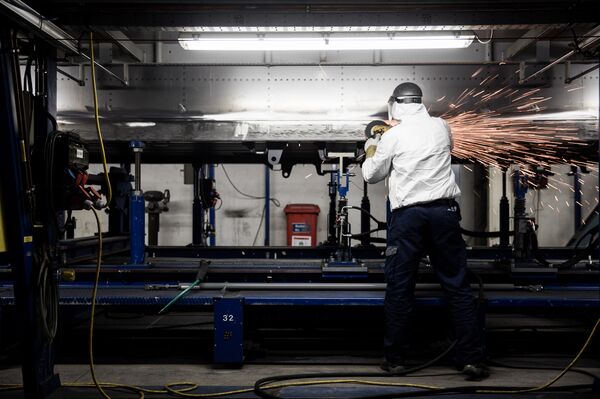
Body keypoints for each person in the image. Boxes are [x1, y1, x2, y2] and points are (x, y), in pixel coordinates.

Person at [362, 82, 488, 379]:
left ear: (394, 103)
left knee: (400, 286)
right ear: (420, 102)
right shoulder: (442, 126)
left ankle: (396, 360)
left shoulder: (392, 136)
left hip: (409, 217)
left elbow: (371, 174)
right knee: (457, 286)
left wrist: (372, 143)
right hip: (444, 213)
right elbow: (446, 149)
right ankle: (471, 359)